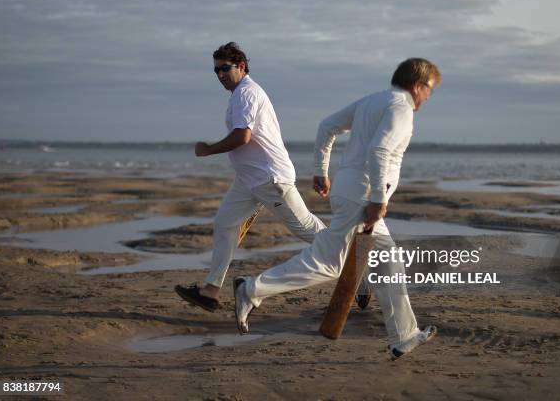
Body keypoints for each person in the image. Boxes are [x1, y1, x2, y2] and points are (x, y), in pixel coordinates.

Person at [233, 58, 442, 360]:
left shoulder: (373, 101)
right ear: (417, 85)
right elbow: (380, 150)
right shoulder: (402, 108)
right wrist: (378, 201)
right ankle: (251, 289)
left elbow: (327, 126)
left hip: (348, 190)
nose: (428, 97)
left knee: (389, 260)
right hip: (363, 196)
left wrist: (321, 169)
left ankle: (403, 336)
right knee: (329, 264)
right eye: (429, 90)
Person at [175, 42, 325, 311]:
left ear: (241, 67)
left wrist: (208, 150)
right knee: (225, 223)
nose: (220, 74)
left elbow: (242, 137)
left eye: (224, 68)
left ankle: (356, 261)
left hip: (270, 178)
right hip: (248, 180)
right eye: (216, 71)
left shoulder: (247, 93)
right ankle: (210, 291)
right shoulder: (239, 94)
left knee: (307, 229)